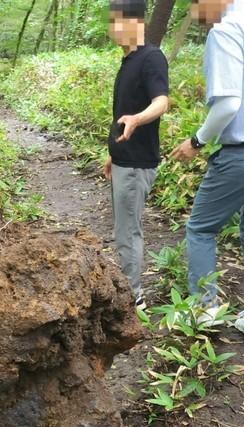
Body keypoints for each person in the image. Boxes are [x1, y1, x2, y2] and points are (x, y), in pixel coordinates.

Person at [170, 0, 243, 324]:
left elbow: (228, 104)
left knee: (201, 228)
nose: (195, 10)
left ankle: (204, 309)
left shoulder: (226, 30)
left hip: (238, 154)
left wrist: (196, 141)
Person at [104, 0, 170, 309]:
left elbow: (161, 102)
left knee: (128, 232)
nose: (111, 30)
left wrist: (138, 119)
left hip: (136, 163)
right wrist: (113, 152)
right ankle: (128, 289)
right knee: (122, 229)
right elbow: (123, 112)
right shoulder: (128, 60)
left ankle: (133, 298)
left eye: (116, 22)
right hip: (123, 160)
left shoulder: (151, 58)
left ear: (134, 23)